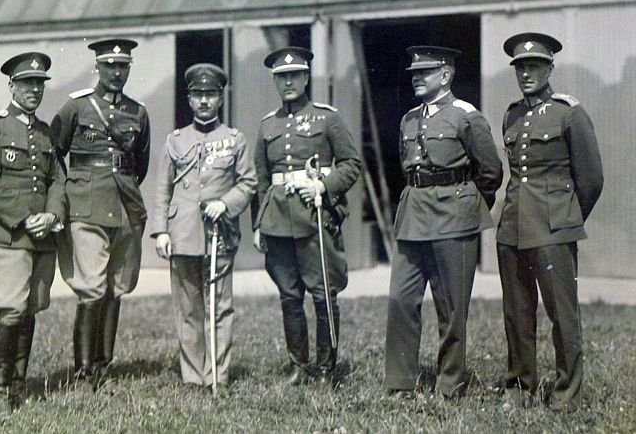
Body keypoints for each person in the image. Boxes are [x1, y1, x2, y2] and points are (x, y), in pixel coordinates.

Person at [384, 46, 503, 401]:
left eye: (425, 71)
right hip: (413, 216)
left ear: (446, 75)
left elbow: (491, 172)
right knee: (400, 300)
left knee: (451, 308)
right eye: (413, 73)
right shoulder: (408, 119)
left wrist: (464, 205)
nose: (416, 78)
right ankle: (400, 383)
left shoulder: (465, 116)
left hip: (454, 217)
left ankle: (449, 385)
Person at [497, 33, 603, 413]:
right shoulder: (512, 114)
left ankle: (566, 392)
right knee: (517, 312)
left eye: (534, 66)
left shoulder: (568, 113)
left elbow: (591, 179)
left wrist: (566, 219)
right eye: (520, 67)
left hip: (554, 228)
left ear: (549, 68)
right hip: (512, 227)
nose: (526, 73)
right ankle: (519, 386)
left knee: (562, 312)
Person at [252, 47, 361, 386]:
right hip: (277, 219)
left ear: (305, 77)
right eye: (281, 77)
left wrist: (324, 188)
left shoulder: (327, 118)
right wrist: (259, 224)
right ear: (275, 81)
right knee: (289, 294)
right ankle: (299, 366)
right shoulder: (268, 124)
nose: (287, 82)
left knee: (322, 293)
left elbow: (351, 164)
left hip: (315, 216)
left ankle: (327, 368)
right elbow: (261, 178)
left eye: (294, 75)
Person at [0, 52, 67, 412]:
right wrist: (27, 217)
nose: (34, 90)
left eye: (39, 84)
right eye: (27, 84)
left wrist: (53, 213)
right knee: (10, 311)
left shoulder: (45, 132)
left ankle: (19, 386)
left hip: (41, 235)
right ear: (11, 86)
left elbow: (57, 178)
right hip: (7, 233)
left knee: (30, 310)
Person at [150, 63, 256, 391]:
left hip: (218, 235)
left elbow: (248, 182)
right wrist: (161, 230)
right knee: (188, 309)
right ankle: (193, 376)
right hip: (182, 235)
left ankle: (218, 375)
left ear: (221, 98)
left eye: (211, 94)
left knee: (220, 307)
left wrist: (225, 203)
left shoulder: (234, 140)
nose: (204, 101)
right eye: (198, 95)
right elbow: (163, 187)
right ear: (189, 99)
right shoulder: (176, 140)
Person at [51, 38, 150, 383]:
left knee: (116, 285)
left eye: (123, 66)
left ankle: (103, 363)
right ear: (98, 67)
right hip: (86, 206)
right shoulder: (76, 107)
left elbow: (140, 164)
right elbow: (54, 156)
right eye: (110, 65)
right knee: (92, 286)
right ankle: (82, 370)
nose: (116, 72)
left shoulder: (138, 112)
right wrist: (71, 194)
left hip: (124, 205)